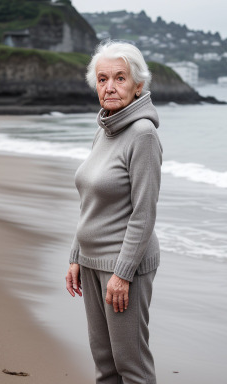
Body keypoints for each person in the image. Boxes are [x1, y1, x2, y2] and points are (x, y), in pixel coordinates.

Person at [66, 40, 163, 384]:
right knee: (105, 365)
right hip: (92, 263)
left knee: (131, 367)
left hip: (124, 269)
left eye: (120, 78)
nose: (109, 87)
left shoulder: (143, 135)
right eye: (103, 79)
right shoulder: (105, 128)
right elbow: (91, 200)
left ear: (138, 86)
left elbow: (143, 213)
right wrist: (77, 255)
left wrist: (122, 274)